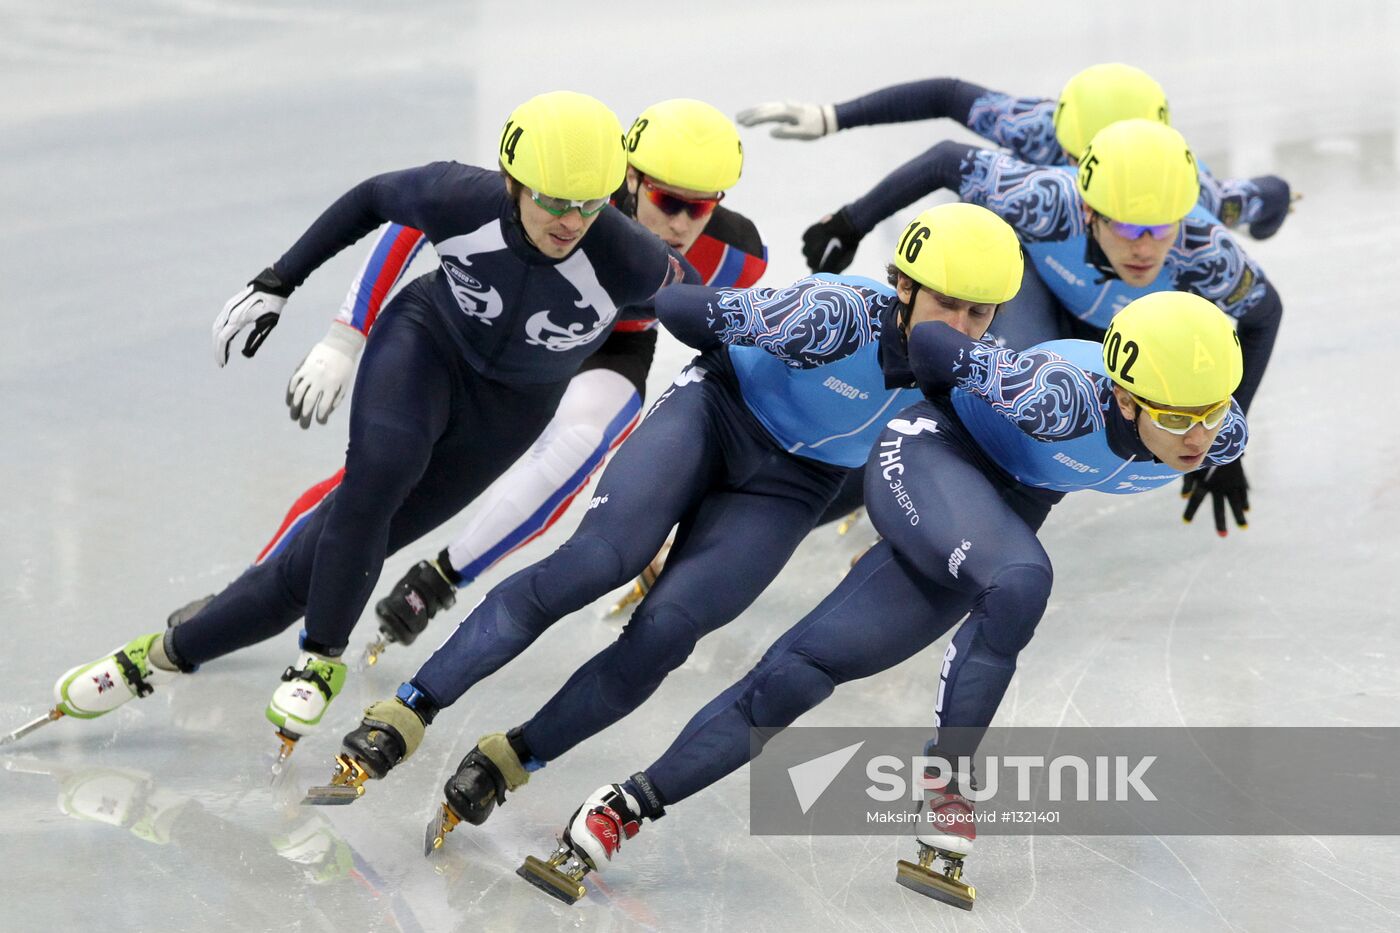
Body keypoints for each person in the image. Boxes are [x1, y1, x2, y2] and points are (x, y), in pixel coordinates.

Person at [297, 205, 1023, 843]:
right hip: (716, 411)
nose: (961, 328)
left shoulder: (980, 372)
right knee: (597, 561)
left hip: (796, 486)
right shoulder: (835, 315)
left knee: (667, 633)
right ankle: (412, 706)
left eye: (980, 314)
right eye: (949, 305)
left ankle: (513, 757)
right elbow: (684, 313)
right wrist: (726, 313)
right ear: (903, 285)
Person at [517, 290, 1248, 910]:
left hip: (1001, 511)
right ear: (1122, 395)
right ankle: (950, 783)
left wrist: (1207, 428)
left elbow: (1220, 406)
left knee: (803, 670)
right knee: (1022, 578)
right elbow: (931, 340)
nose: (1201, 436)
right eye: (1179, 419)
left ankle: (622, 804)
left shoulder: (1219, 434)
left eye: (1212, 414)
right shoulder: (1055, 393)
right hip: (930, 453)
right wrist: (912, 382)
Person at [43, 91, 693, 758]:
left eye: (588, 203)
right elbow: (371, 200)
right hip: (426, 347)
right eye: (555, 200)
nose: (571, 220)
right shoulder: (459, 196)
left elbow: (705, 311)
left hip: (508, 413)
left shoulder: (631, 258)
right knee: (378, 475)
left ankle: (157, 656)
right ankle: (321, 657)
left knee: (310, 569)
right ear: (513, 180)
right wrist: (281, 281)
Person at [246, 99, 767, 663]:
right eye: (669, 201)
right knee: (376, 473)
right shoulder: (575, 196)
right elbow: (408, 222)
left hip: (616, 341)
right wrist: (348, 333)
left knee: (580, 442)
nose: (683, 223)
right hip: (509, 324)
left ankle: (439, 580)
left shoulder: (740, 257)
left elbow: (726, 351)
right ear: (631, 179)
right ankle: (256, 584)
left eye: (703, 207)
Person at [797, 117, 1276, 536]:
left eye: (1161, 228)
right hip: (1043, 294)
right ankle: (871, 482)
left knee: (1037, 425)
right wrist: (850, 220)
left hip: (1128, 343)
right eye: (1127, 228)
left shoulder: (1208, 251)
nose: (1144, 248)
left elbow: (1264, 289)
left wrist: (1223, 447)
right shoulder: (1046, 201)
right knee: (985, 391)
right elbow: (946, 152)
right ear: (1089, 209)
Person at [736, 62, 1294, 244]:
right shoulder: (1040, 129)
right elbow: (946, 96)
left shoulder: (1189, 189)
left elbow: (1259, 197)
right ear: (1063, 140)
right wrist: (833, 117)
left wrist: (1276, 209)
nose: (1088, 176)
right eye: (1078, 161)